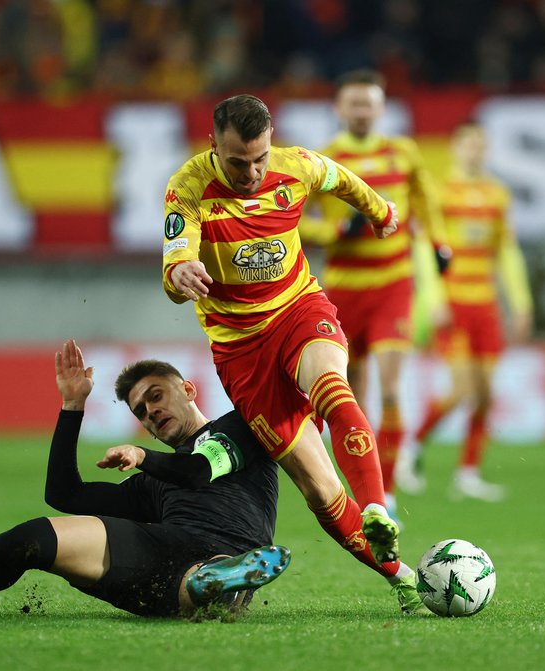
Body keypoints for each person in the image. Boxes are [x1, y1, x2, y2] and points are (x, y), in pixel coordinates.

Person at [162, 93, 425, 614]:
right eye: (239, 161)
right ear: (214, 144)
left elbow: (343, 180)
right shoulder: (188, 187)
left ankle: (377, 504)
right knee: (319, 489)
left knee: (332, 385)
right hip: (241, 349)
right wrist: (179, 273)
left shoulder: (295, 165)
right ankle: (406, 579)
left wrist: (381, 211)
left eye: (260, 157)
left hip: (299, 309)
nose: (253, 171)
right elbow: (175, 257)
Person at [0, 340, 290, 618]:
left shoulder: (239, 427)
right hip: (164, 552)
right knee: (25, 539)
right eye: (140, 411)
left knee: (206, 567)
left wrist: (143, 456)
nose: (150, 412)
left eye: (156, 396)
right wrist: (72, 407)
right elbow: (63, 494)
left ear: (188, 389)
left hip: (233, 545)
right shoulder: (151, 485)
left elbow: (196, 471)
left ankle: (219, 579)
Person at [298, 69, 451, 521]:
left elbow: (426, 201)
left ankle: (390, 494)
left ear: (381, 108)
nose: (362, 111)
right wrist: (335, 229)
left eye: (369, 103)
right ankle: (369, 491)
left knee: (389, 388)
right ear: (338, 109)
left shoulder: (402, 153)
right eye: (354, 103)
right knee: (353, 396)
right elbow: (295, 218)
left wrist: (439, 241)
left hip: (393, 284)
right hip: (344, 290)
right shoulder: (323, 160)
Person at [395, 121, 533, 502]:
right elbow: (425, 247)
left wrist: (521, 302)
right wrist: (434, 298)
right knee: (461, 390)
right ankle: (412, 447)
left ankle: (468, 473)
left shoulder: (496, 194)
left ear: (485, 149)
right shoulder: (439, 193)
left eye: (479, 144)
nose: (474, 150)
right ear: (455, 148)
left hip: (485, 305)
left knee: (486, 394)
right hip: (452, 303)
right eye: (467, 144)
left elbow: (506, 251)